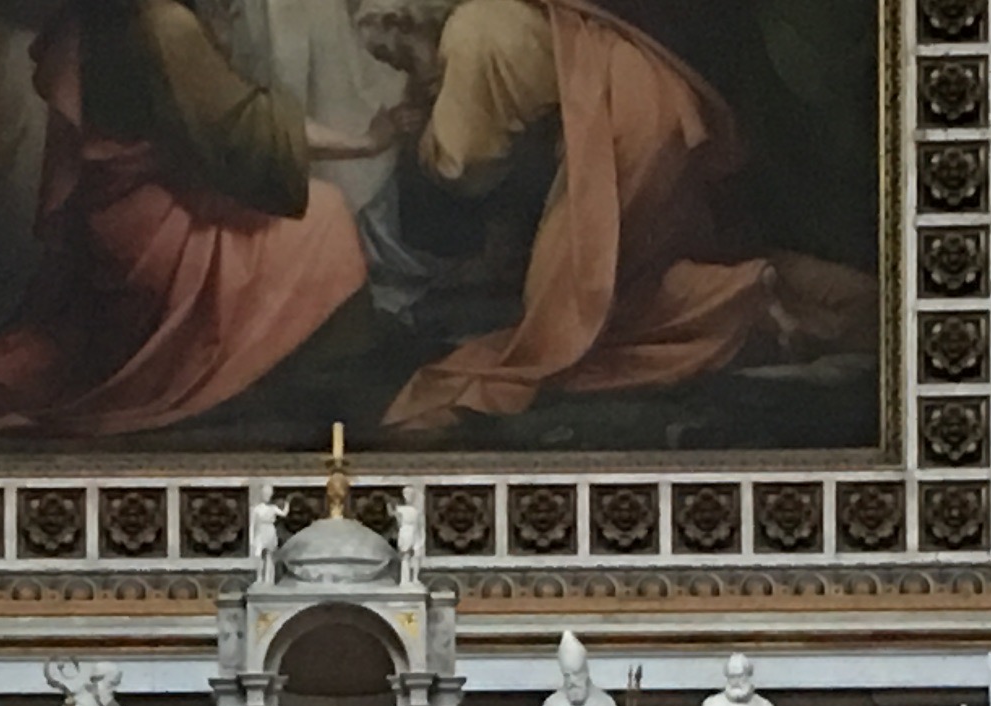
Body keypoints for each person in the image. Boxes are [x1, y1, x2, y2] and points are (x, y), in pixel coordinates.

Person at [356, 0, 870, 437]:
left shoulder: (475, 29)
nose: (403, 69)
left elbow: (465, 162)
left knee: (571, 327)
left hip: (623, 137)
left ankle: (750, 301)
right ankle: (778, 298)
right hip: (657, 111)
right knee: (631, 286)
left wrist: (418, 137)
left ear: (407, 23)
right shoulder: (533, 15)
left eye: (396, 56)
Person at [0, 0, 374, 437]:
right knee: (326, 217)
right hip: (157, 233)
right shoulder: (163, 23)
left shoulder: (99, 16)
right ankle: (300, 391)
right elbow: (246, 133)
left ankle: (296, 387)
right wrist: (367, 143)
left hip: (110, 224)